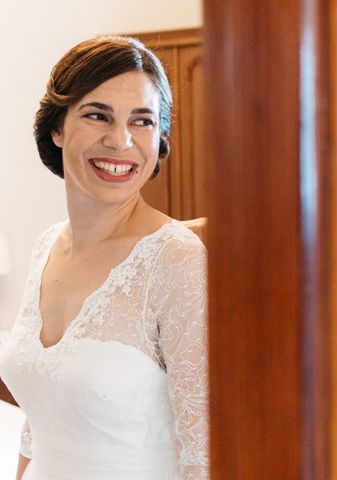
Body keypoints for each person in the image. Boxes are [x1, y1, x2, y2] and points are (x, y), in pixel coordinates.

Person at [0, 36, 209, 480]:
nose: (120, 141)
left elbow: (203, 452)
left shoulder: (176, 258)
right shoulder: (46, 245)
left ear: (161, 137)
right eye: (98, 115)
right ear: (57, 128)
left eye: (143, 121)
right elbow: (38, 422)